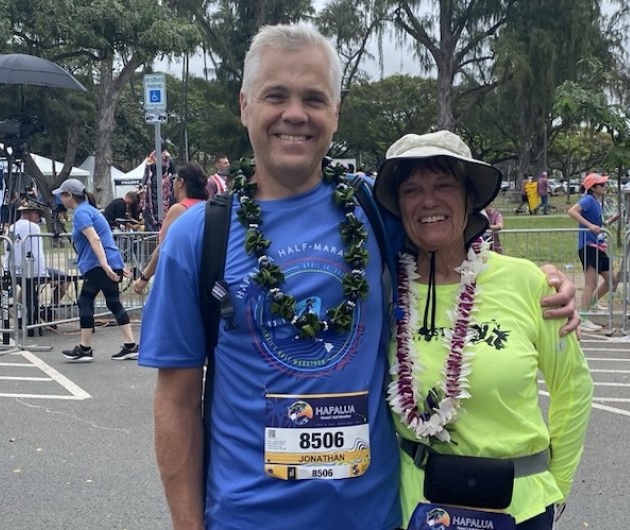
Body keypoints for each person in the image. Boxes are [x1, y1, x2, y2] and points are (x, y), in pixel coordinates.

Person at [138, 24, 579, 530]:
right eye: (275, 95)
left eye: (313, 98)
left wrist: (542, 277)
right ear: (244, 105)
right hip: (246, 518)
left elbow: (450, 237)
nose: (295, 114)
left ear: (335, 113)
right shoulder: (199, 237)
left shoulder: (374, 211)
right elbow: (175, 400)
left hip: (375, 516)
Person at [374, 130, 592, 529]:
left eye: (443, 185)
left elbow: (573, 387)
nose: (428, 201)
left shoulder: (528, 282)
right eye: (411, 189)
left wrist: (556, 486)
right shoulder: (381, 290)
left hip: (517, 508)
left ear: (470, 197)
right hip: (413, 510)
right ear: (397, 205)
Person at [53, 178, 137, 362]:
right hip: (109, 260)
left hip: (98, 264)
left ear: (69, 196)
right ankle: (130, 345)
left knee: (85, 301)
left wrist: (105, 266)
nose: (60, 199)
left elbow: (95, 240)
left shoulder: (82, 213)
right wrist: (116, 265)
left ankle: (85, 348)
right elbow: (104, 238)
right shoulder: (90, 210)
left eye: (62, 195)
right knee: (113, 302)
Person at [132, 163, 208, 294]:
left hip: (177, 276)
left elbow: (163, 247)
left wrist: (144, 277)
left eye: (174, 179)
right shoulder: (206, 207)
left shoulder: (179, 209)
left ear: (181, 182)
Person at [8, 201, 70, 336]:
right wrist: (43, 274)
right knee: (65, 278)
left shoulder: (12, 227)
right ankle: (51, 308)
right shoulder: (33, 228)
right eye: (37, 214)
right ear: (31, 213)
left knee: (25, 286)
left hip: (15, 269)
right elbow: (37, 253)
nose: (38, 217)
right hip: (33, 268)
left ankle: (19, 313)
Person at [568, 172, 619, 332]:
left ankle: (592, 303)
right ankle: (582, 318)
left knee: (612, 279)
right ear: (593, 187)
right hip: (589, 246)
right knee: (591, 283)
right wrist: (589, 226)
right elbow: (572, 211)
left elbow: (597, 222)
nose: (604, 187)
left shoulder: (596, 202)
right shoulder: (588, 200)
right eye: (601, 185)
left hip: (599, 246)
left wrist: (608, 222)